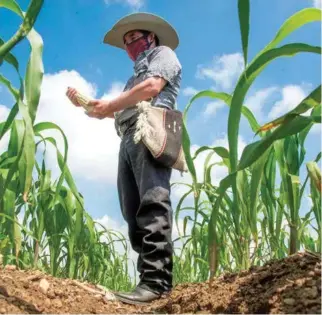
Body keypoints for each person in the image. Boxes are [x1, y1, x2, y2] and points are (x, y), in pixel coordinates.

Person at [66, 12, 182, 305]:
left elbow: (152, 88)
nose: (130, 45)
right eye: (126, 41)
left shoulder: (164, 55)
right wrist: (90, 106)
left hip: (152, 129)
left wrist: (109, 106)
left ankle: (157, 283)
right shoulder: (133, 77)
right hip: (129, 136)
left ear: (150, 37)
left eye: (135, 38)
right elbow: (119, 109)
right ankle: (147, 281)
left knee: (153, 201)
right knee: (132, 209)